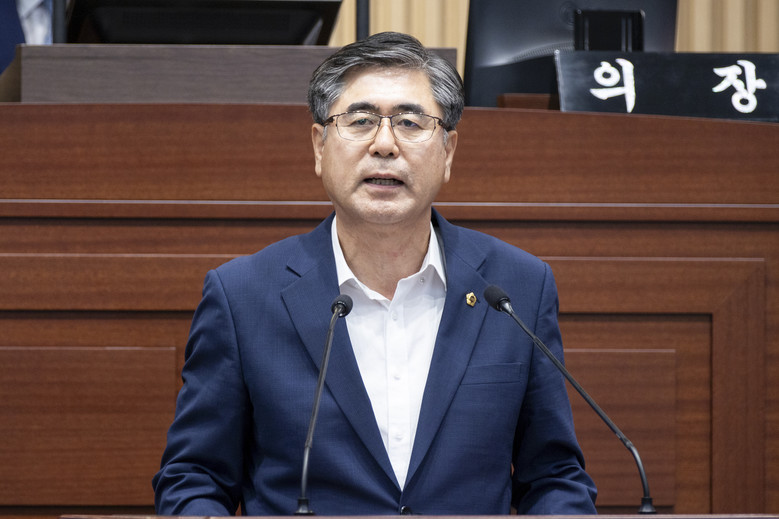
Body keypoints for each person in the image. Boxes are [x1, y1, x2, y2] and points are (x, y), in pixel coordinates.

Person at [153, 31, 597, 516]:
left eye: (410, 122)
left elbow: (554, 477)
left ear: (448, 151)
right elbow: (194, 479)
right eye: (361, 121)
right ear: (319, 147)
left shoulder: (517, 288)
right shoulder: (242, 296)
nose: (384, 144)